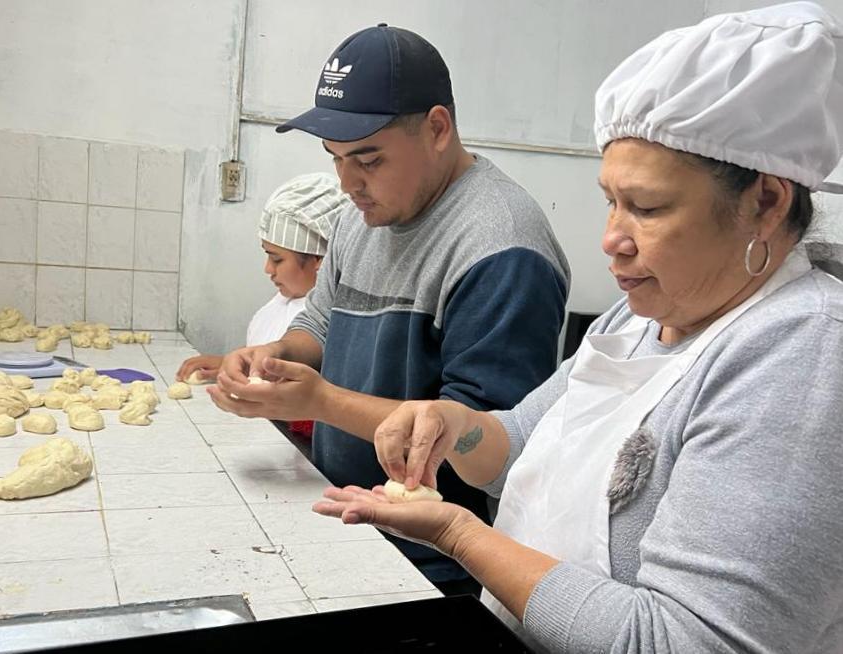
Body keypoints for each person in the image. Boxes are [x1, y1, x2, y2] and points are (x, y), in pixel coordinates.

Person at [312, 3, 843, 651]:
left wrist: (458, 535)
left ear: (763, 203)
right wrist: (453, 425)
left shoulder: (801, 355)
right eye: (609, 201)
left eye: (645, 207)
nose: (610, 240)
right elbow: (519, 445)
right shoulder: (641, 315)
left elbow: (691, 641)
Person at [208, 24, 570, 594]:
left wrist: (319, 401)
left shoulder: (502, 247)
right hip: (342, 511)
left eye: (368, 160)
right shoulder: (359, 218)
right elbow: (322, 317)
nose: (348, 183)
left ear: (437, 128)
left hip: (432, 565)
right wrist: (277, 356)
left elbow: (480, 439)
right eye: (336, 159)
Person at [176, 172, 347, 388]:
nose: (268, 269)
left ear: (319, 260)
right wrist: (232, 365)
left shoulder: (332, 324)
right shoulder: (281, 303)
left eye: (277, 259)